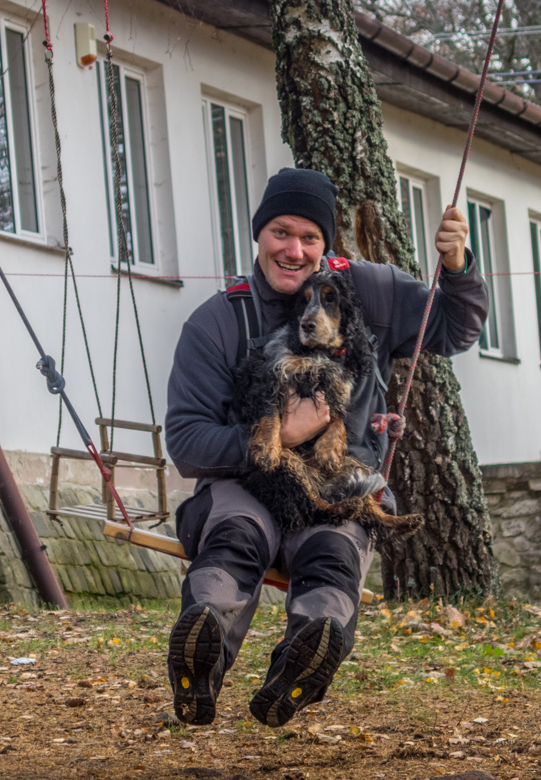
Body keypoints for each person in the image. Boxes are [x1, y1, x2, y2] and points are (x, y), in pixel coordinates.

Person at [164, 168, 489, 727]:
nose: (293, 250)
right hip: (248, 485)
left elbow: (456, 327)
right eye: (280, 233)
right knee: (236, 536)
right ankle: (202, 651)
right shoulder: (218, 321)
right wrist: (277, 437)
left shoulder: (370, 291)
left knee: (332, 554)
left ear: (327, 242)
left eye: (309, 238)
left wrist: (457, 266)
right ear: (258, 235)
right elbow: (187, 441)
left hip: (338, 485)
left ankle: (303, 661)